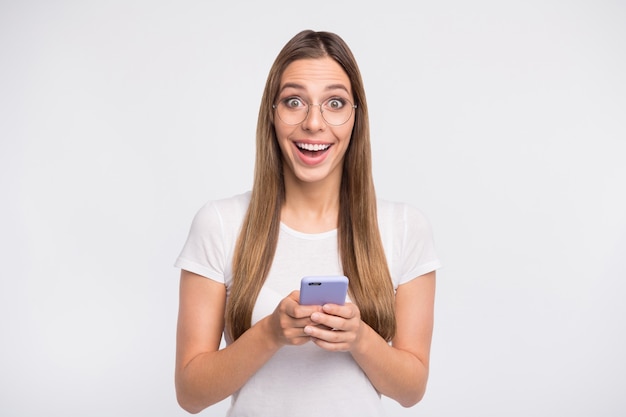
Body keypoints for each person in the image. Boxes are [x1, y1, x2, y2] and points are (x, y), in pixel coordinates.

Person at [174, 29, 441, 416]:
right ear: (272, 113)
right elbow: (190, 394)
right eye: (294, 101)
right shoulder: (220, 223)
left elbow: (412, 390)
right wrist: (270, 333)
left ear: (355, 118)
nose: (314, 123)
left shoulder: (404, 227)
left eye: (334, 102)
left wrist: (359, 339)